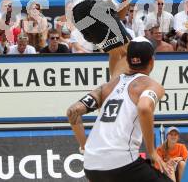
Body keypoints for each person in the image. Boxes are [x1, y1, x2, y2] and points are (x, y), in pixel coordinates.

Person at [67, 37, 174, 182]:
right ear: (152, 62)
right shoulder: (151, 85)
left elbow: (73, 111)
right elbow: (144, 108)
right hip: (122, 163)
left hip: (91, 165)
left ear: (129, 61)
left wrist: (84, 146)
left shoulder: (107, 86)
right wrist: (152, 151)